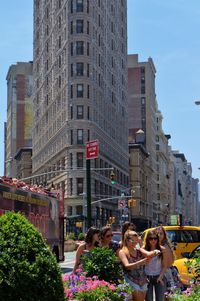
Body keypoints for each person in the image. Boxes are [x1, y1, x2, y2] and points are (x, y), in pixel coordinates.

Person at [119, 230, 151, 301]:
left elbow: (149, 255)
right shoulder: (123, 251)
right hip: (132, 280)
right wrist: (140, 262)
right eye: (132, 240)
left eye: (136, 240)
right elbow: (127, 266)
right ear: (126, 240)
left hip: (143, 280)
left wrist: (140, 242)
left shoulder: (139, 250)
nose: (135, 243)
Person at [143, 230, 168, 301]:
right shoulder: (144, 249)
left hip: (159, 276)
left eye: (155, 238)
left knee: (160, 299)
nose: (153, 240)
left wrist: (160, 277)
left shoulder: (162, 249)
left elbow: (164, 265)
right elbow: (141, 265)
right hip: (147, 277)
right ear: (148, 239)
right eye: (151, 238)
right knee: (149, 299)